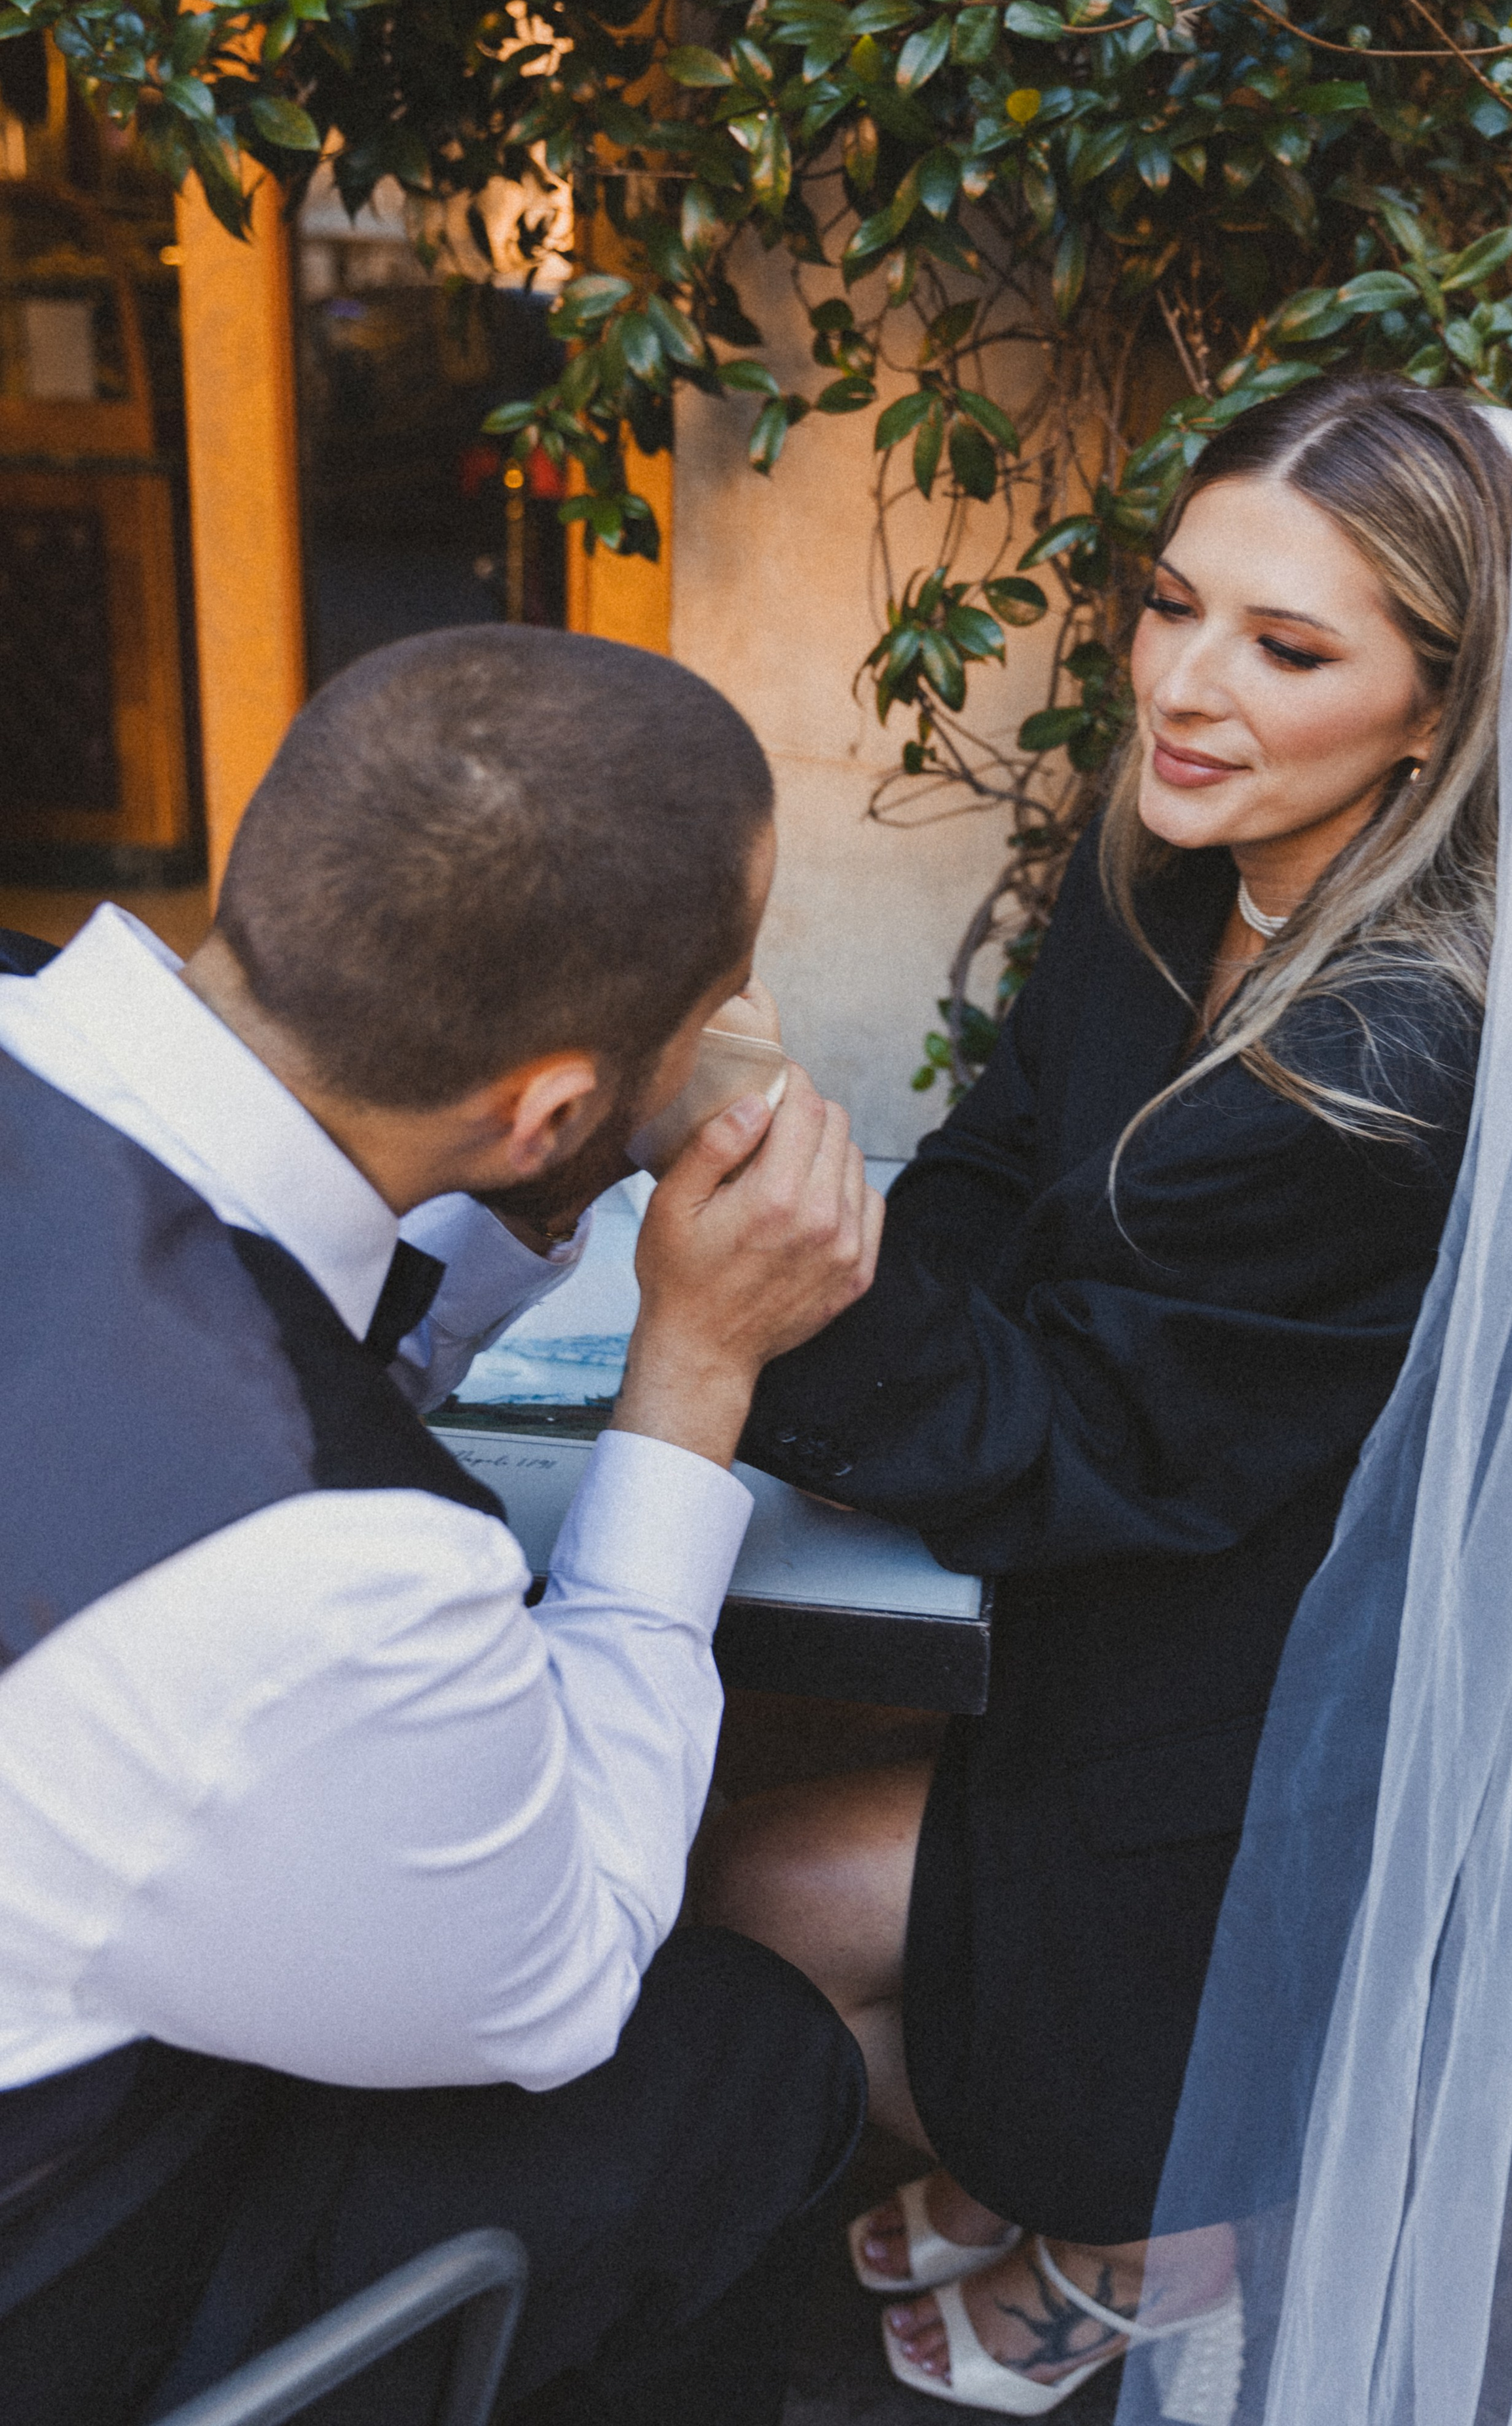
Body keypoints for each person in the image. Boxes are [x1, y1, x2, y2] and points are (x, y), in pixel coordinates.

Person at [695, 377, 1511, 2416]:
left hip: (1263, 1700)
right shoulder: (1185, 858)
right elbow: (995, 1151)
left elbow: (1069, 1444)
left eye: (1290, 647)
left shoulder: (1381, 1068)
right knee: (760, 1821)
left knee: (743, 1899)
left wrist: (750, 1249)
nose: (1187, 686)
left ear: (1440, 712)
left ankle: (1164, 2220)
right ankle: (1063, 2160)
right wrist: (901, 1274)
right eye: (1173, 604)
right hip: (1126, 1599)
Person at [0, 627, 885, 2426]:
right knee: (729, 2063)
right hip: (62, 2276)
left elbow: (217, 1303)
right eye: (720, 993)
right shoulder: (332, 1567)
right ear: (560, 1104)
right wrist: (696, 1364)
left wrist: (517, 1213)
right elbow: (555, 1980)